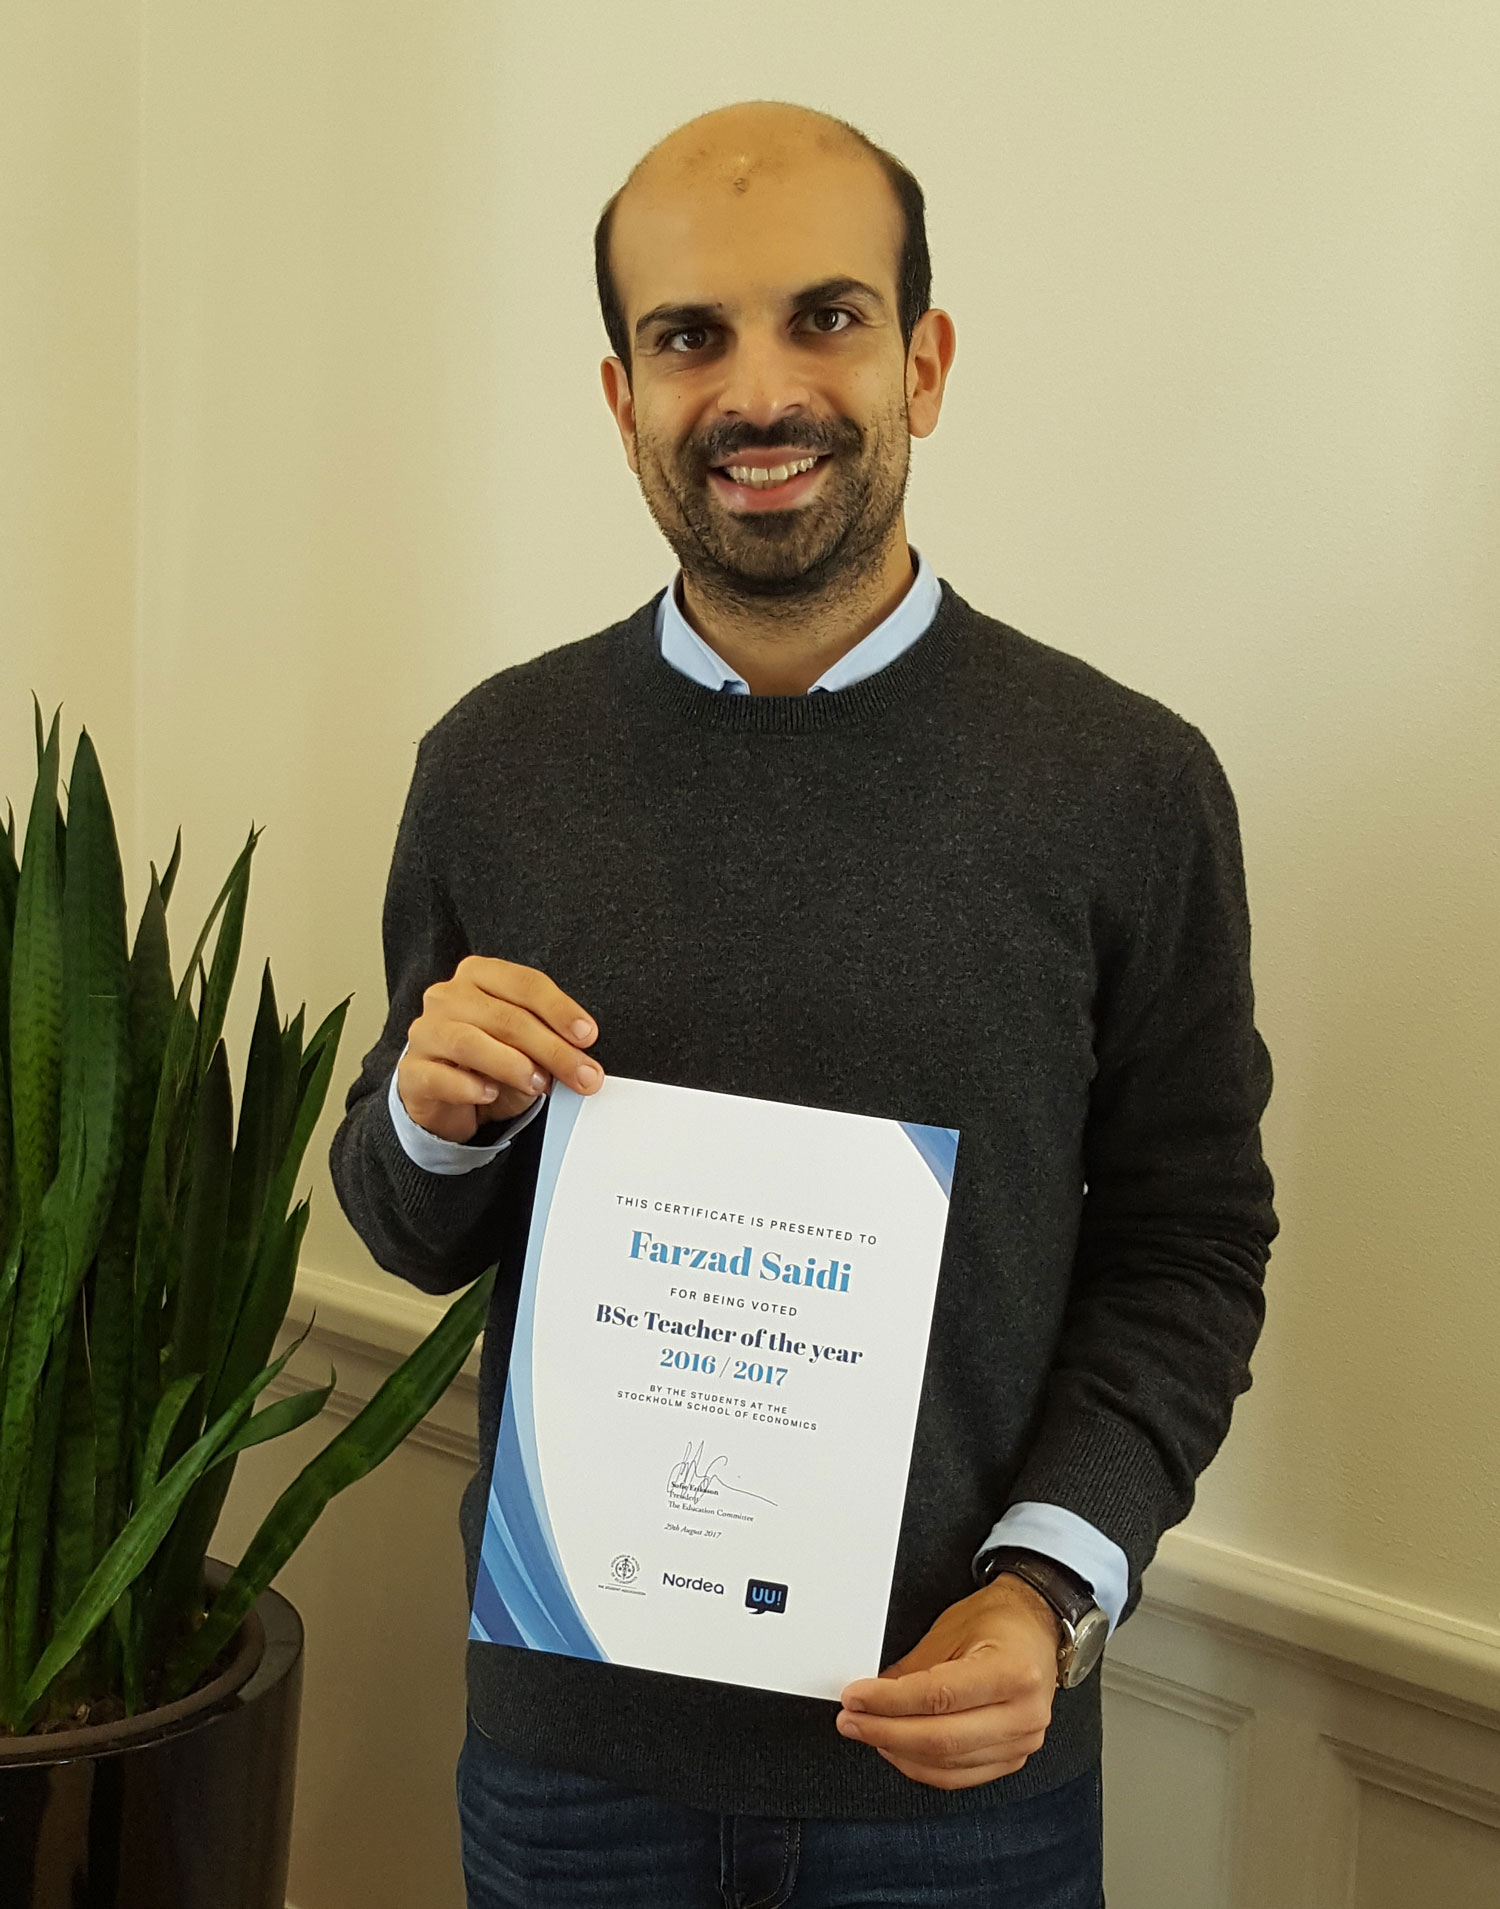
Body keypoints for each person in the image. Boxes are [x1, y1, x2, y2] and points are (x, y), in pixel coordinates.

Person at [328, 98, 1277, 1909]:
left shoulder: (1125, 784)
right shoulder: (496, 763)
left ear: (923, 360)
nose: (759, 391)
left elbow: (1191, 1241)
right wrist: (431, 1119)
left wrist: (1051, 1584)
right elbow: (410, 1230)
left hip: (952, 1776)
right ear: (624, 396)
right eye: (691, 336)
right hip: (572, 1762)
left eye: (825, 318)